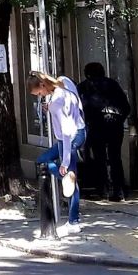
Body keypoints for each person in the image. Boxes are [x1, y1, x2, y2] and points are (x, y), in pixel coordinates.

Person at [29, 70, 87, 235]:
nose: (40, 96)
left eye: (39, 93)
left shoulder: (56, 102)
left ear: (42, 85)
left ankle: (74, 221)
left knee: (59, 171)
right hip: (80, 131)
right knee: (46, 163)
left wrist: (65, 161)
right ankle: (67, 179)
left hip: (68, 138)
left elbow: (66, 132)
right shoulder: (64, 82)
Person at [78, 61, 131, 201]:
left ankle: (102, 189)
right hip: (114, 125)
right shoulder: (113, 84)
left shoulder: (85, 87)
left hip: (96, 126)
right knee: (115, 157)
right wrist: (118, 118)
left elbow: (80, 107)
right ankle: (118, 190)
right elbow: (126, 107)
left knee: (99, 157)